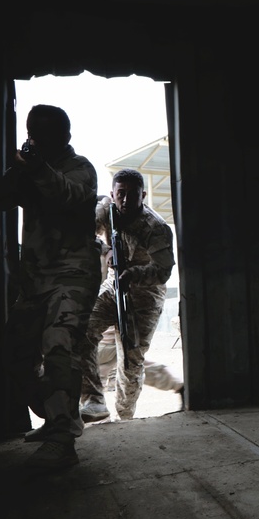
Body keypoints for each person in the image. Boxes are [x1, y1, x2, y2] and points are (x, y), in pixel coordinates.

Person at [0, 104, 102, 468]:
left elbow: (67, 195)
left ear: (65, 136)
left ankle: (62, 438)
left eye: (45, 134)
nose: (38, 140)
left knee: (59, 347)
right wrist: (20, 169)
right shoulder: (30, 170)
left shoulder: (80, 167)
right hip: (35, 281)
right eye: (33, 133)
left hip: (73, 276)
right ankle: (56, 416)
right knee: (14, 353)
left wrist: (38, 169)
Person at [79, 169, 177, 422]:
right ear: (113, 194)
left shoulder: (155, 227)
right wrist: (105, 249)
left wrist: (134, 274)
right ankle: (93, 399)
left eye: (132, 195)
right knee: (82, 330)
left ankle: (124, 419)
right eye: (120, 194)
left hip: (144, 297)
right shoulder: (106, 211)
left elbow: (163, 270)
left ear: (143, 195)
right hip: (113, 289)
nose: (125, 200)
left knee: (130, 363)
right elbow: (82, 233)